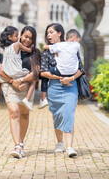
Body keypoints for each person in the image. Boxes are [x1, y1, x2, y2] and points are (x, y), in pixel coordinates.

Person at [0, 26, 41, 158]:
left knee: (24, 115)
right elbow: (1, 71)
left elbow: (35, 74)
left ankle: (21, 143)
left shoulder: (35, 52)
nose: (27, 40)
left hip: (25, 87)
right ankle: (16, 145)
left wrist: (20, 80)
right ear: (20, 36)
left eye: (30, 38)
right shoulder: (10, 49)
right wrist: (11, 81)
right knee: (14, 112)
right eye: (25, 36)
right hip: (10, 86)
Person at [40, 23, 85, 157]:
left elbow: (81, 69)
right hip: (54, 86)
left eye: (51, 32)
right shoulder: (47, 51)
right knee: (58, 115)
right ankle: (60, 142)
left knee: (69, 113)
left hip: (70, 87)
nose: (48, 35)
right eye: (47, 33)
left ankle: (69, 147)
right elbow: (43, 72)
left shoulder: (71, 47)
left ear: (59, 33)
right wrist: (60, 77)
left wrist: (70, 79)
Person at [0, 26, 37, 112]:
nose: (18, 37)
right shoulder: (18, 45)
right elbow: (28, 50)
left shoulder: (5, 49)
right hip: (18, 71)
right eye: (16, 35)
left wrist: (12, 81)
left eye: (30, 38)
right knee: (33, 79)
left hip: (9, 72)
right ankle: (27, 99)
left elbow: (0, 71)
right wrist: (33, 49)